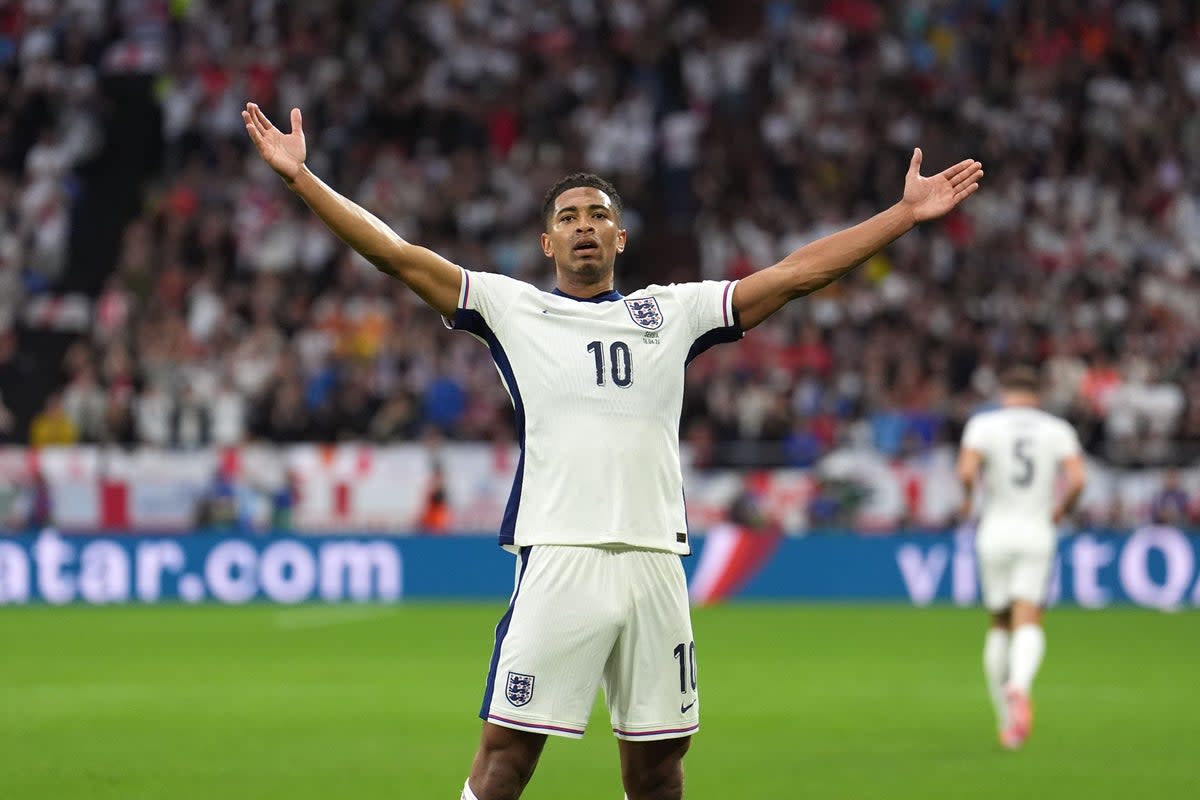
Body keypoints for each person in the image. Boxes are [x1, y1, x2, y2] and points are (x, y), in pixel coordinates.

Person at [242, 102, 983, 800]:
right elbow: (398, 256)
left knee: (659, 775)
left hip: (656, 561)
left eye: (599, 215)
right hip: (560, 554)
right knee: (505, 761)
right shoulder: (513, 308)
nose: (585, 225)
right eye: (568, 217)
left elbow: (794, 275)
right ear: (548, 242)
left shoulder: (674, 311)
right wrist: (303, 179)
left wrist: (904, 216)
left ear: (621, 238)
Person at [956, 366, 1087, 751]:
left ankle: (1005, 719)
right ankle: (1020, 685)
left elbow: (966, 470)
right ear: (1037, 396)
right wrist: (1064, 507)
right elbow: (1078, 479)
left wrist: (968, 498)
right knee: (1029, 615)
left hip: (994, 532)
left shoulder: (984, 425)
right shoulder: (1055, 429)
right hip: (1036, 532)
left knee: (999, 623)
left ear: (1004, 394)